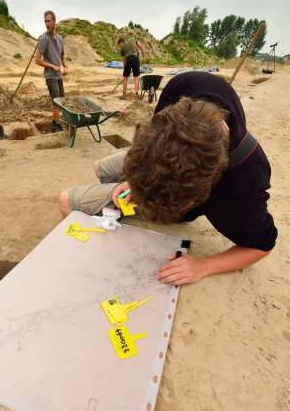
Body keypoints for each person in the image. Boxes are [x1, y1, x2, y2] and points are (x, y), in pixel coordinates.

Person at [59, 72, 277, 285]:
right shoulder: (186, 85)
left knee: (66, 201)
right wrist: (136, 181)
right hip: (159, 154)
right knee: (100, 168)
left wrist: (202, 267)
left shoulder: (243, 184)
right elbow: (154, 132)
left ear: (195, 200)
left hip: (203, 184)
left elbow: (262, 246)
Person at [35, 11, 68, 133]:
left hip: (59, 75)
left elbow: (62, 55)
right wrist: (52, 66)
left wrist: (65, 67)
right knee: (56, 101)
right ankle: (55, 125)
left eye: (49, 21)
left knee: (62, 100)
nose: (47, 24)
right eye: (45, 21)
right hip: (50, 76)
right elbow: (37, 60)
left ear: (54, 21)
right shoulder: (44, 39)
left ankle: (57, 122)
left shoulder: (60, 39)